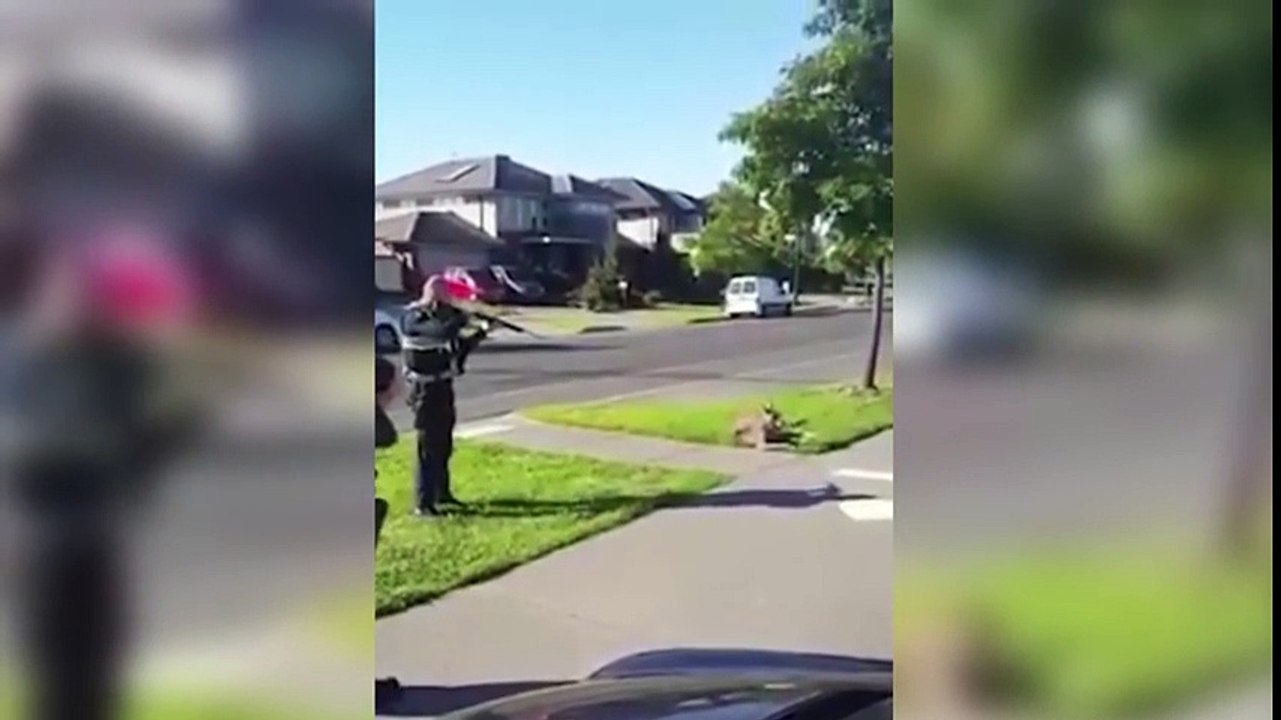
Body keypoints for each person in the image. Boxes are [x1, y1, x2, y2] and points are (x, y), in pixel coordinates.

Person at [400, 275, 490, 516]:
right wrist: (463, 317)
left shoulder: (445, 317)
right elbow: (439, 333)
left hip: (443, 387)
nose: (446, 296)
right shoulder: (412, 317)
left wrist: (481, 331)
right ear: (430, 291)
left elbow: (457, 348)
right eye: (442, 292)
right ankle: (423, 503)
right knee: (427, 446)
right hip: (423, 391)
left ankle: (442, 493)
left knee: (444, 444)